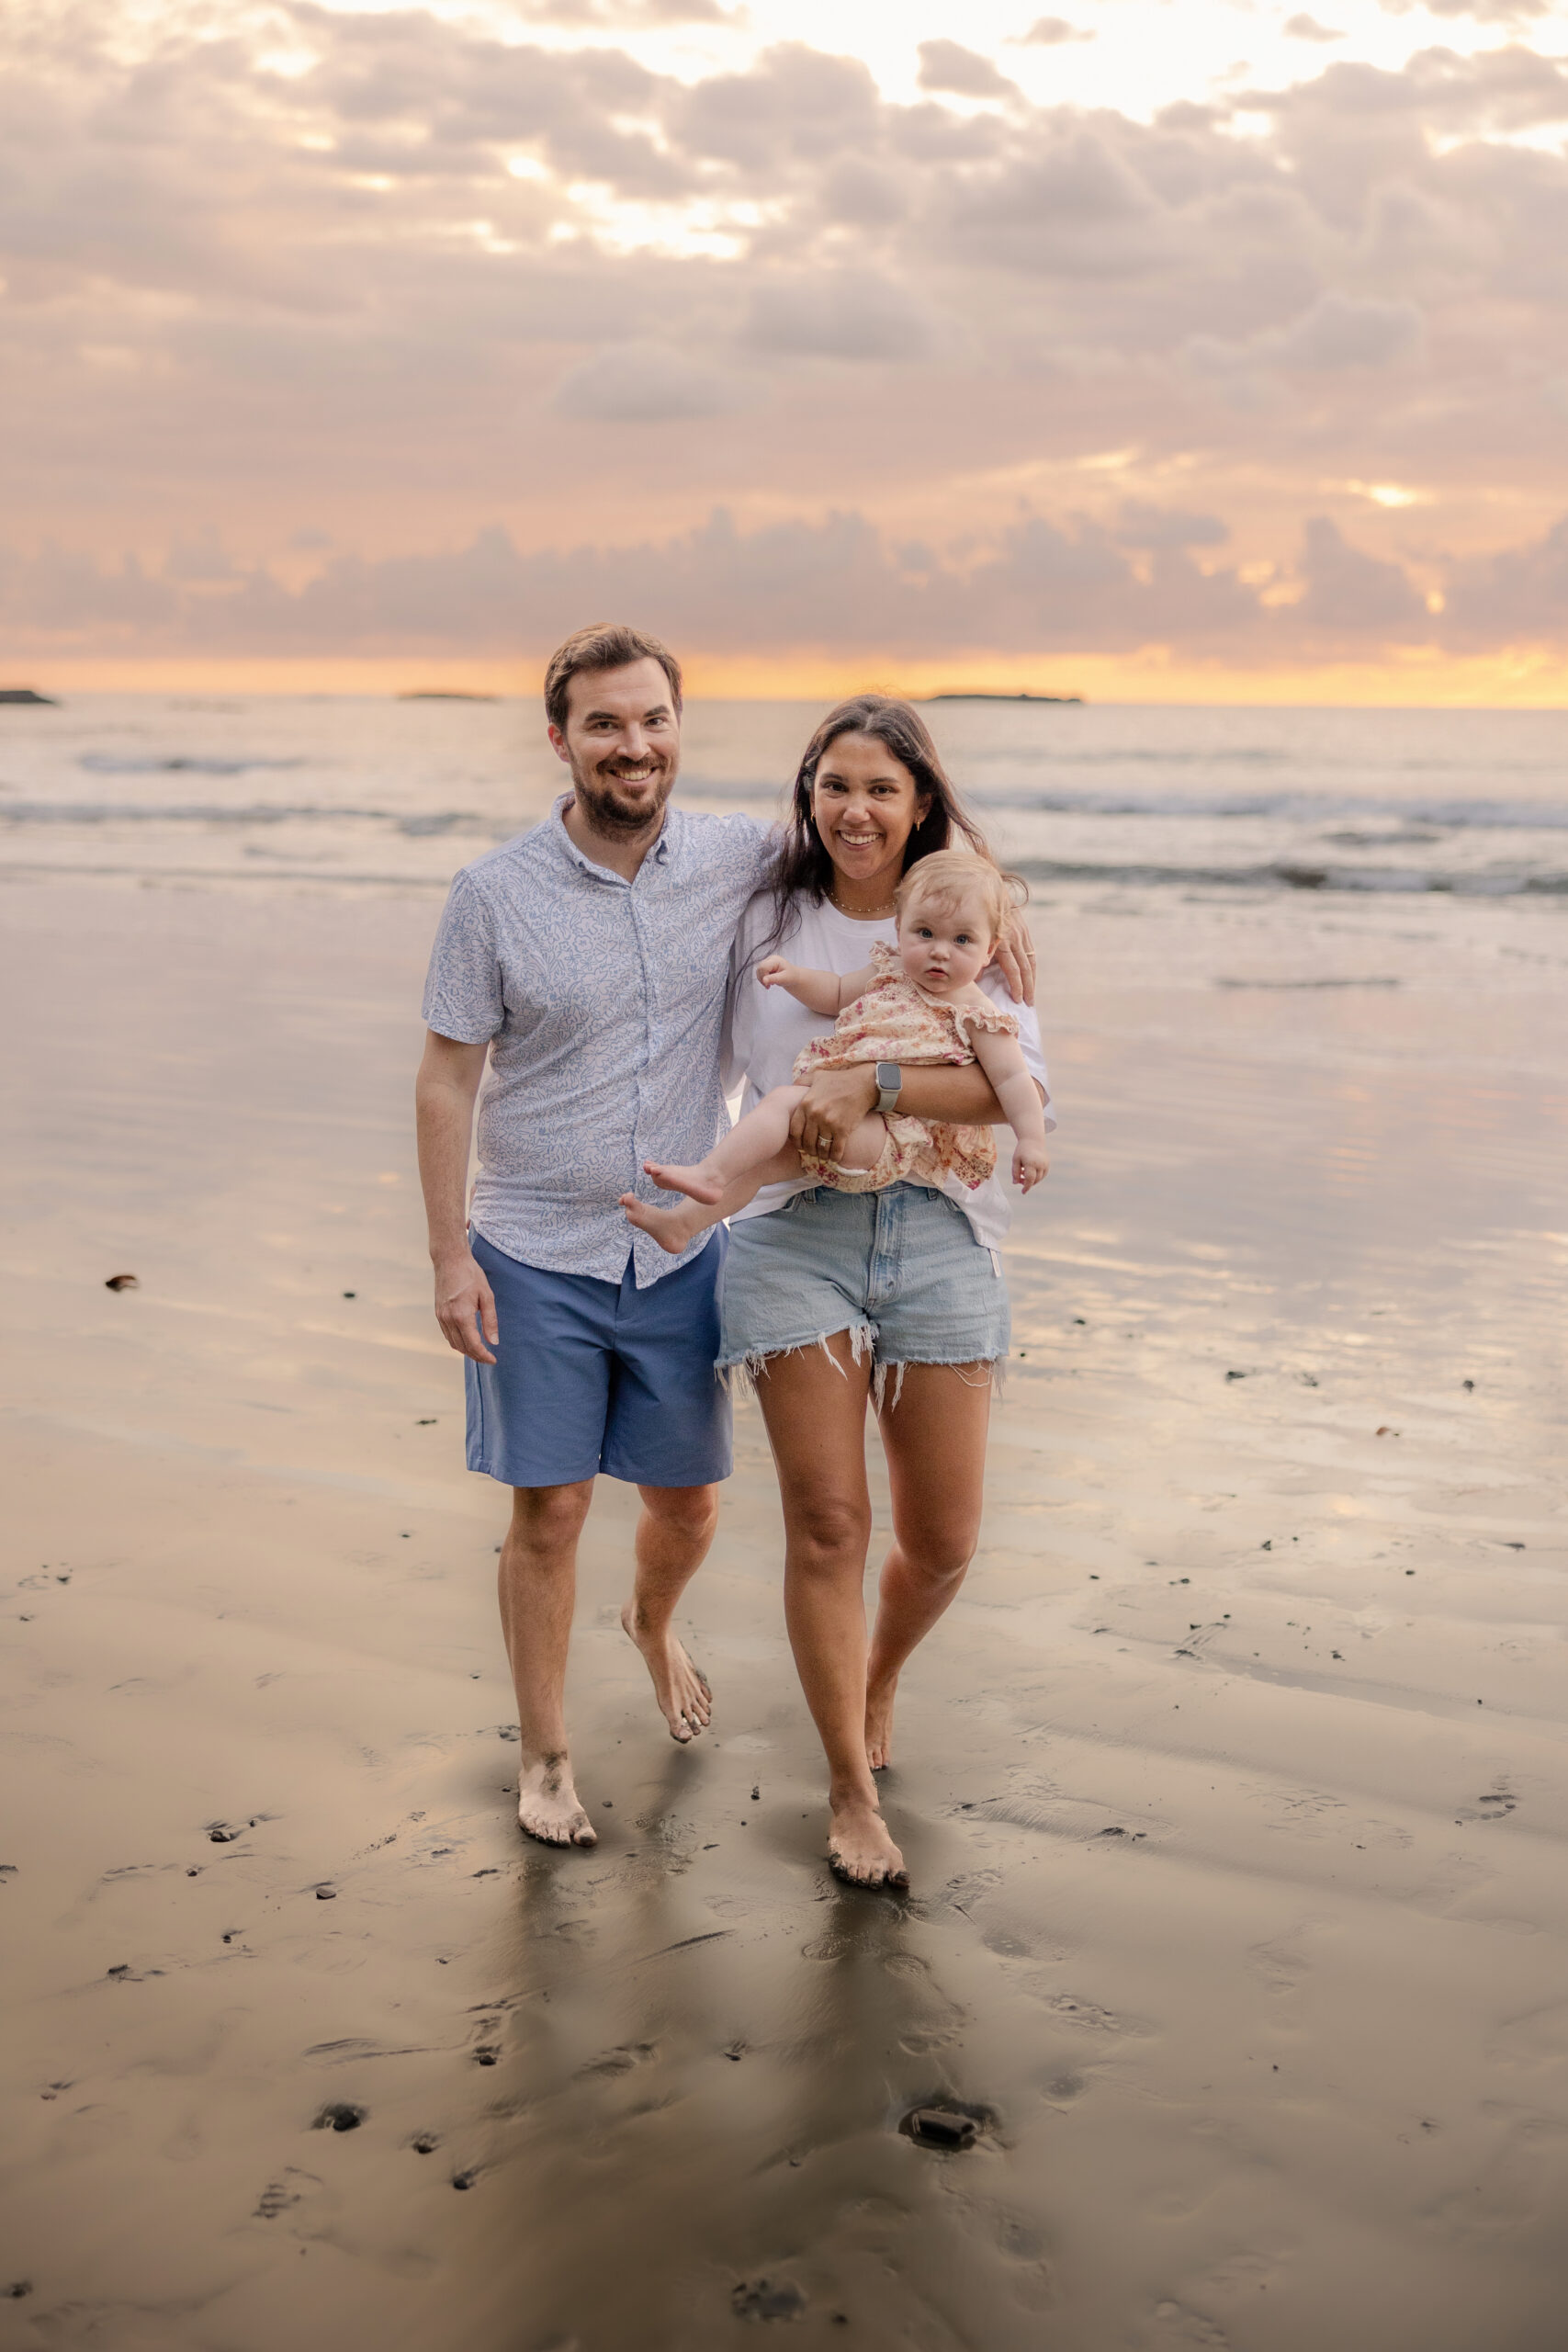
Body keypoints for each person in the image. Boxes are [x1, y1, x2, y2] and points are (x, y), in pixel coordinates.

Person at [414, 623, 779, 1849]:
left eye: (655, 720)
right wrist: (447, 1255)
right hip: (531, 1252)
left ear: (680, 728)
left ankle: (652, 1623)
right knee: (551, 1515)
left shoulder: (740, 859)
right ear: (560, 738)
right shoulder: (493, 896)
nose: (635, 745)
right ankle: (547, 1756)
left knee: (688, 1509)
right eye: (607, 723)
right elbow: (444, 1082)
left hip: (678, 1254)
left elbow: (878, 850)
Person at [716, 696, 1054, 1891]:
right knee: (827, 1526)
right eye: (832, 786)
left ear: (918, 802)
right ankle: (848, 1796)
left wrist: (876, 1085)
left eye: (878, 789)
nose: (854, 811)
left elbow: (1011, 1090)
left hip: (941, 1227)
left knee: (944, 1542)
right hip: (792, 1226)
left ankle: (877, 1674)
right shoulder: (761, 916)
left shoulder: (971, 920)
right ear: (806, 796)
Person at [623, 852, 1050, 1255]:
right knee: (763, 1164)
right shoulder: (890, 971)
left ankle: (710, 1172)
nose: (940, 951)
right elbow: (837, 992)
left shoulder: (976, 1012)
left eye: (962, 940)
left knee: (783, 1101)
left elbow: (1012, 1079)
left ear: (989, 950)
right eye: (925, 933)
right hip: (843, 1120)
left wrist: (1030, 1140)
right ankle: (682, 1225)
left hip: (894, 1139)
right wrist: (793, 976)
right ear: (899, 928)